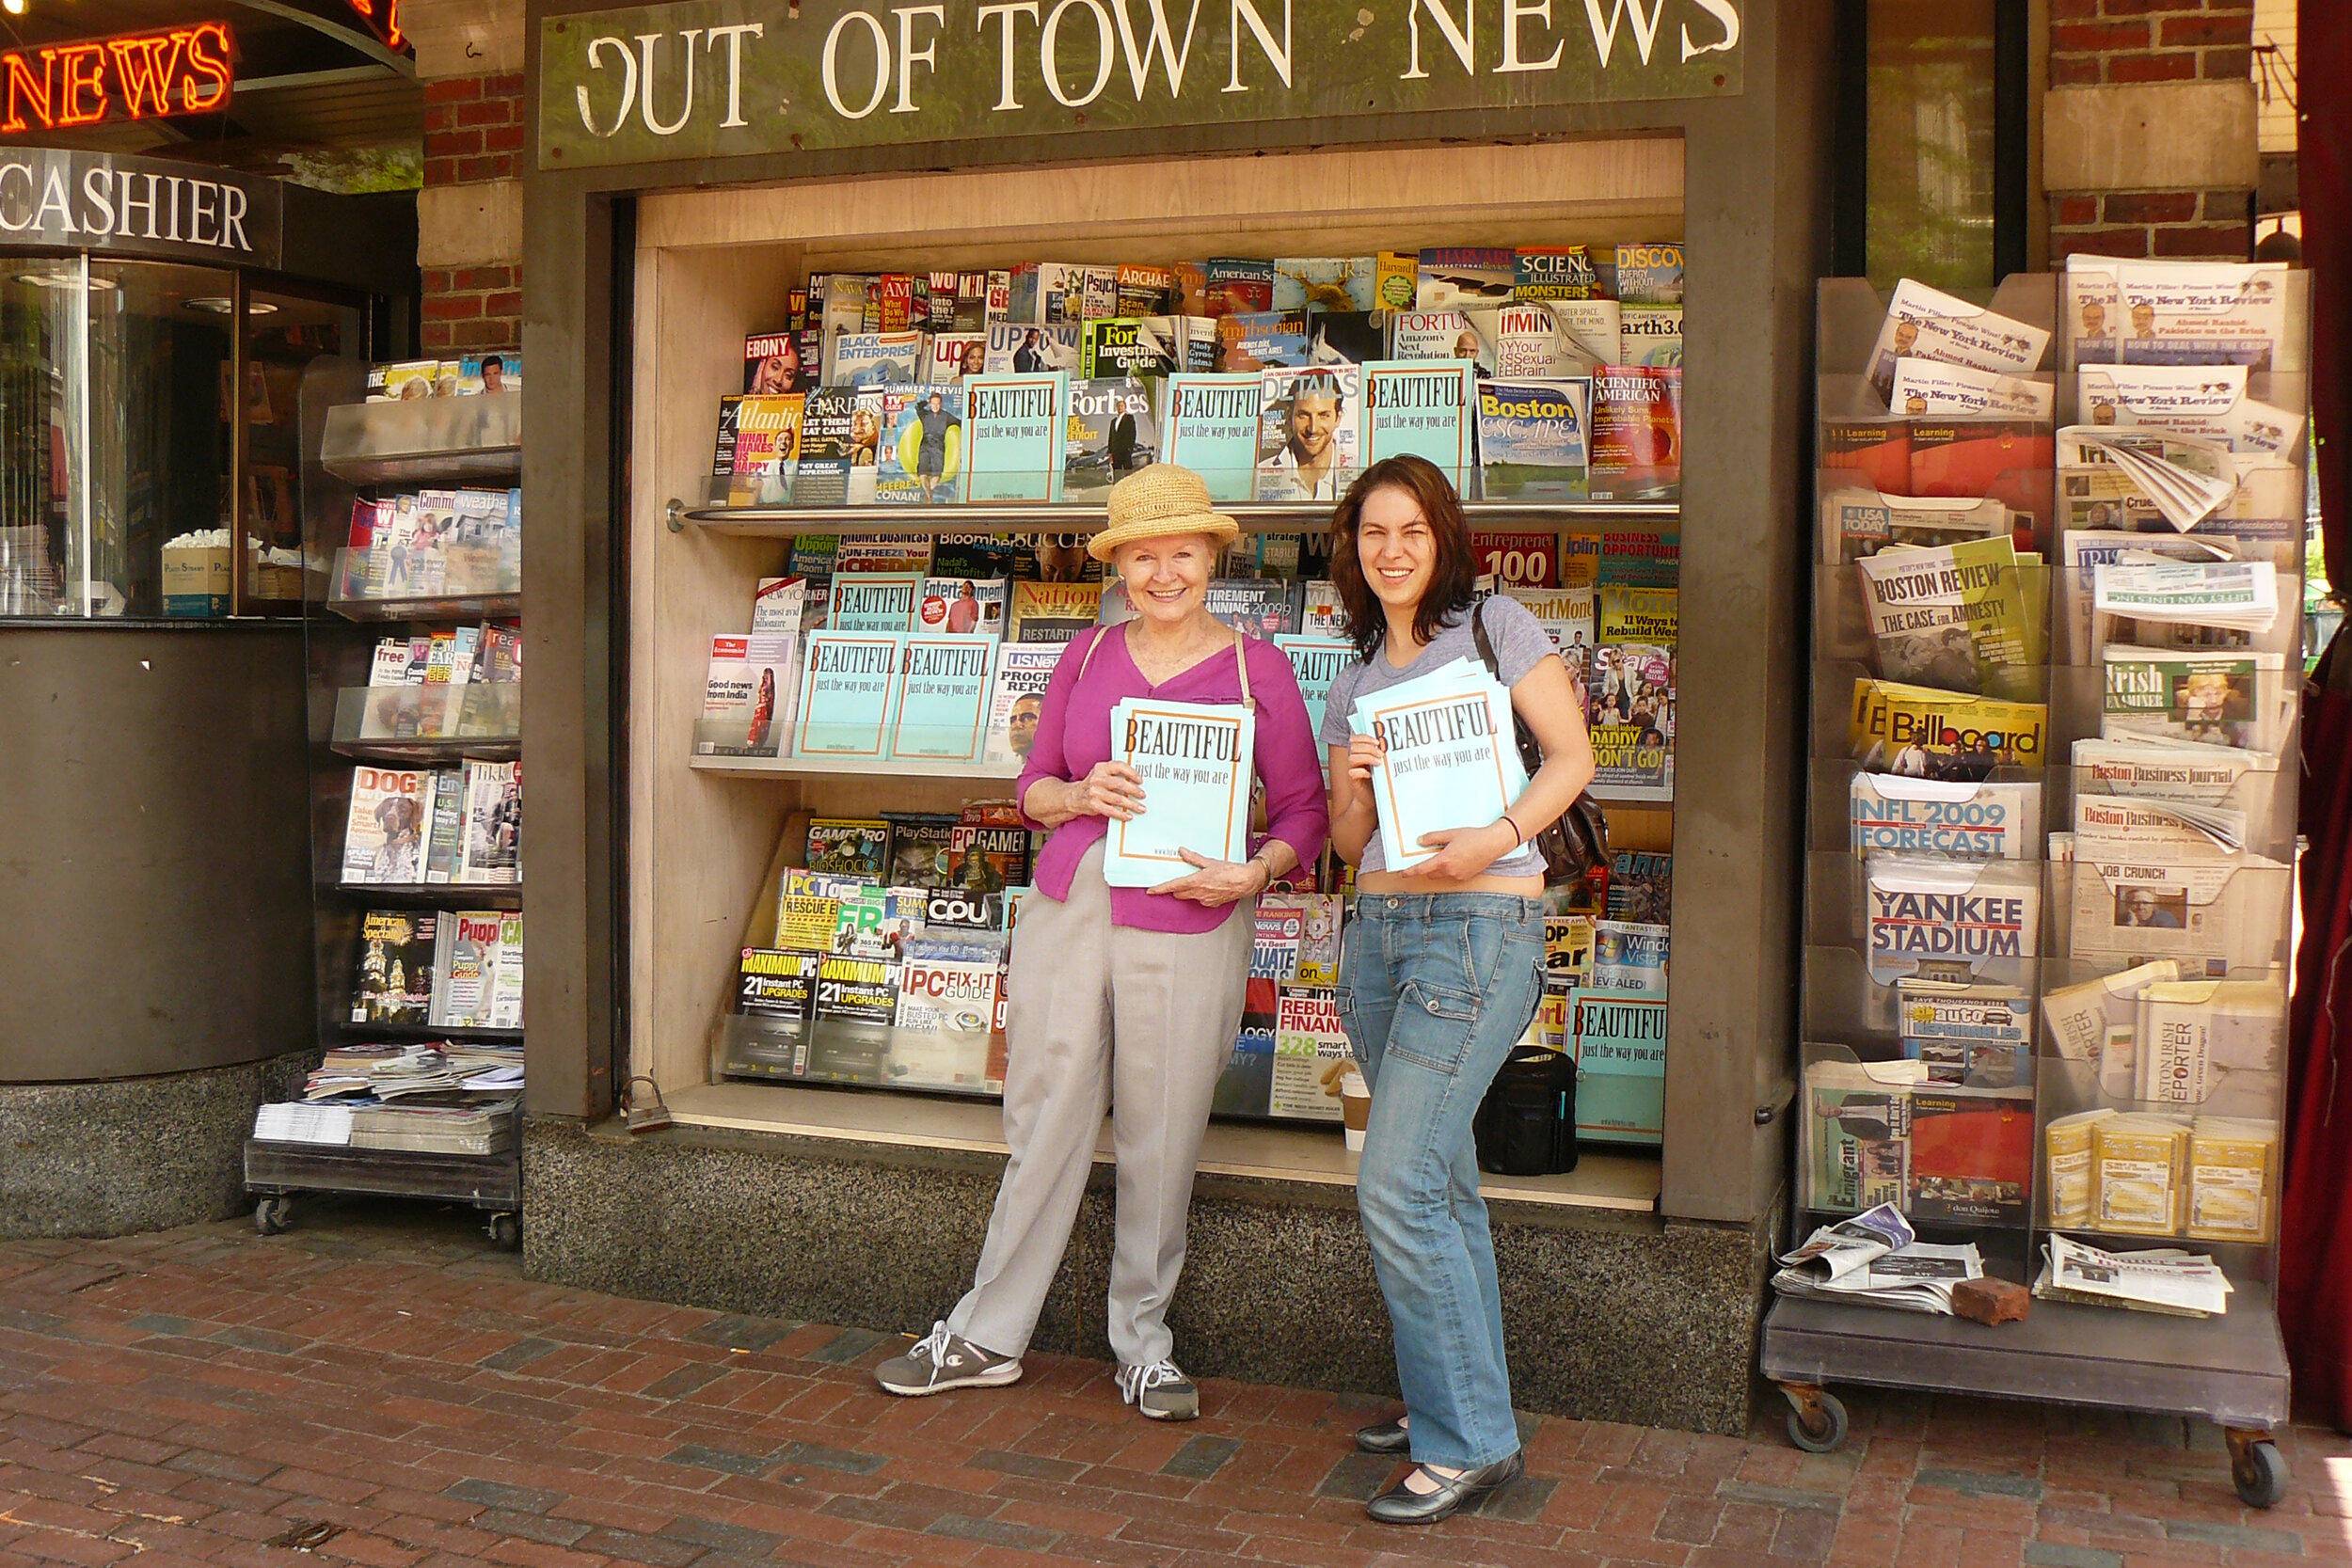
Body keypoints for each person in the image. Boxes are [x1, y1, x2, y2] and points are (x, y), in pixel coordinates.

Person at [876, 465, 1328, 1421]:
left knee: (1163, 1133)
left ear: (1212, 557)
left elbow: (1303, 812)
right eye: (1143, 555)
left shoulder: (1259, 667)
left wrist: (1254, 872)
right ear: (1119, 564)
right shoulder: (1084, 655)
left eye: (1182, 552)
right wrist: (1081, 795)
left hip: (1193, 909)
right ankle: (988, 1331)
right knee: (1045, 1117)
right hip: (1073, 905)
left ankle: (1143, 1344)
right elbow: (1034, 786)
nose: (1164, 572)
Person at [1319, 454, 1595, 1525]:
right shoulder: (1350, 680)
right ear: (1351, 549)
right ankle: (1455, 1395)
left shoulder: (1494, 627)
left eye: (1411, 530)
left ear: (1444, 540)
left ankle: (1469, 1441)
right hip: (1379, 931)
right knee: (1438, 1184)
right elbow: (1350, 846)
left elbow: (1568, 757)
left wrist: (1496, 834)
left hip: (1478, 927)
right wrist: (1347, 789)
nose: (1390, 550)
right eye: (1371, 532)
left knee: (1393, 1182)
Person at [1258, 374, 1347, 500]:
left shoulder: (1358, 470)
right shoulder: (1261, 474)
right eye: (1303, 416)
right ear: (1289, 417)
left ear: (1338, 418)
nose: (1312, 428)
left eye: (1323, 415)